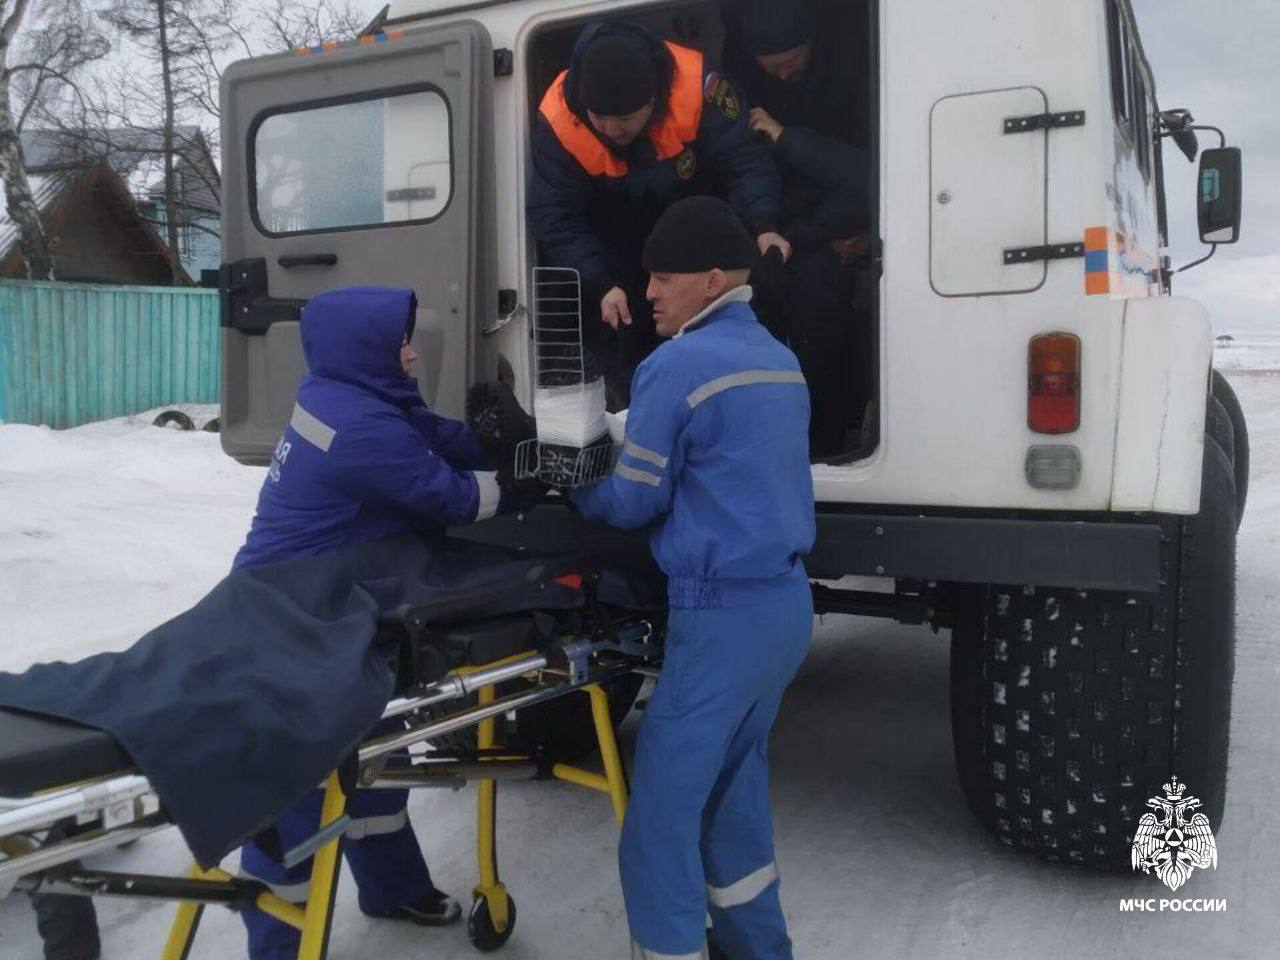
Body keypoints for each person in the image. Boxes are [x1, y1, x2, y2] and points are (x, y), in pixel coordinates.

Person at [231, 285, 541, 960]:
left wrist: (496, 442)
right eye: (400, 341)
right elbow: (448, 497)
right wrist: (522, 480)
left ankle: (392, 886)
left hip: (334, 598)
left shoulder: (354, 394)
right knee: (302, 777)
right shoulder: (356, 424)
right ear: (366, 348)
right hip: (291, 615)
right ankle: (276, 948)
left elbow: (434, 438)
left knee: (372, 743)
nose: (410, 351)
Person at [570, 197, 815, 960]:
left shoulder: (675, 364)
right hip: (784, 608)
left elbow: (635, 498)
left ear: (712, 281)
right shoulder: (780, 357)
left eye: (663, 278)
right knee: (731, 794)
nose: (647, 293)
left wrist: (573, 476)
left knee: (661, 820)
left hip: (719, 617)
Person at [527, 19, 788, 407]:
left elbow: (744, 161)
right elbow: (555, 214)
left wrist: (764, 226)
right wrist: (600, 283)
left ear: (653, 100)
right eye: (600, 119)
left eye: (626, 119)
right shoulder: (560, 119)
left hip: (693, 236)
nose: (613, 130)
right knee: (622, 347)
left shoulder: (697, 88)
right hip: (612, 248)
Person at [725, 0, 876, 459]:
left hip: (831, 243)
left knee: (827, 349)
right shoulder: (741, 95)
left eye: (794, 64)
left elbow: (867, 174)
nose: (786, 76)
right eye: (774, 69)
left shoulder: (852, 75)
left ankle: (825, 444)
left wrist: (788, 139)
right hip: (779, 240)